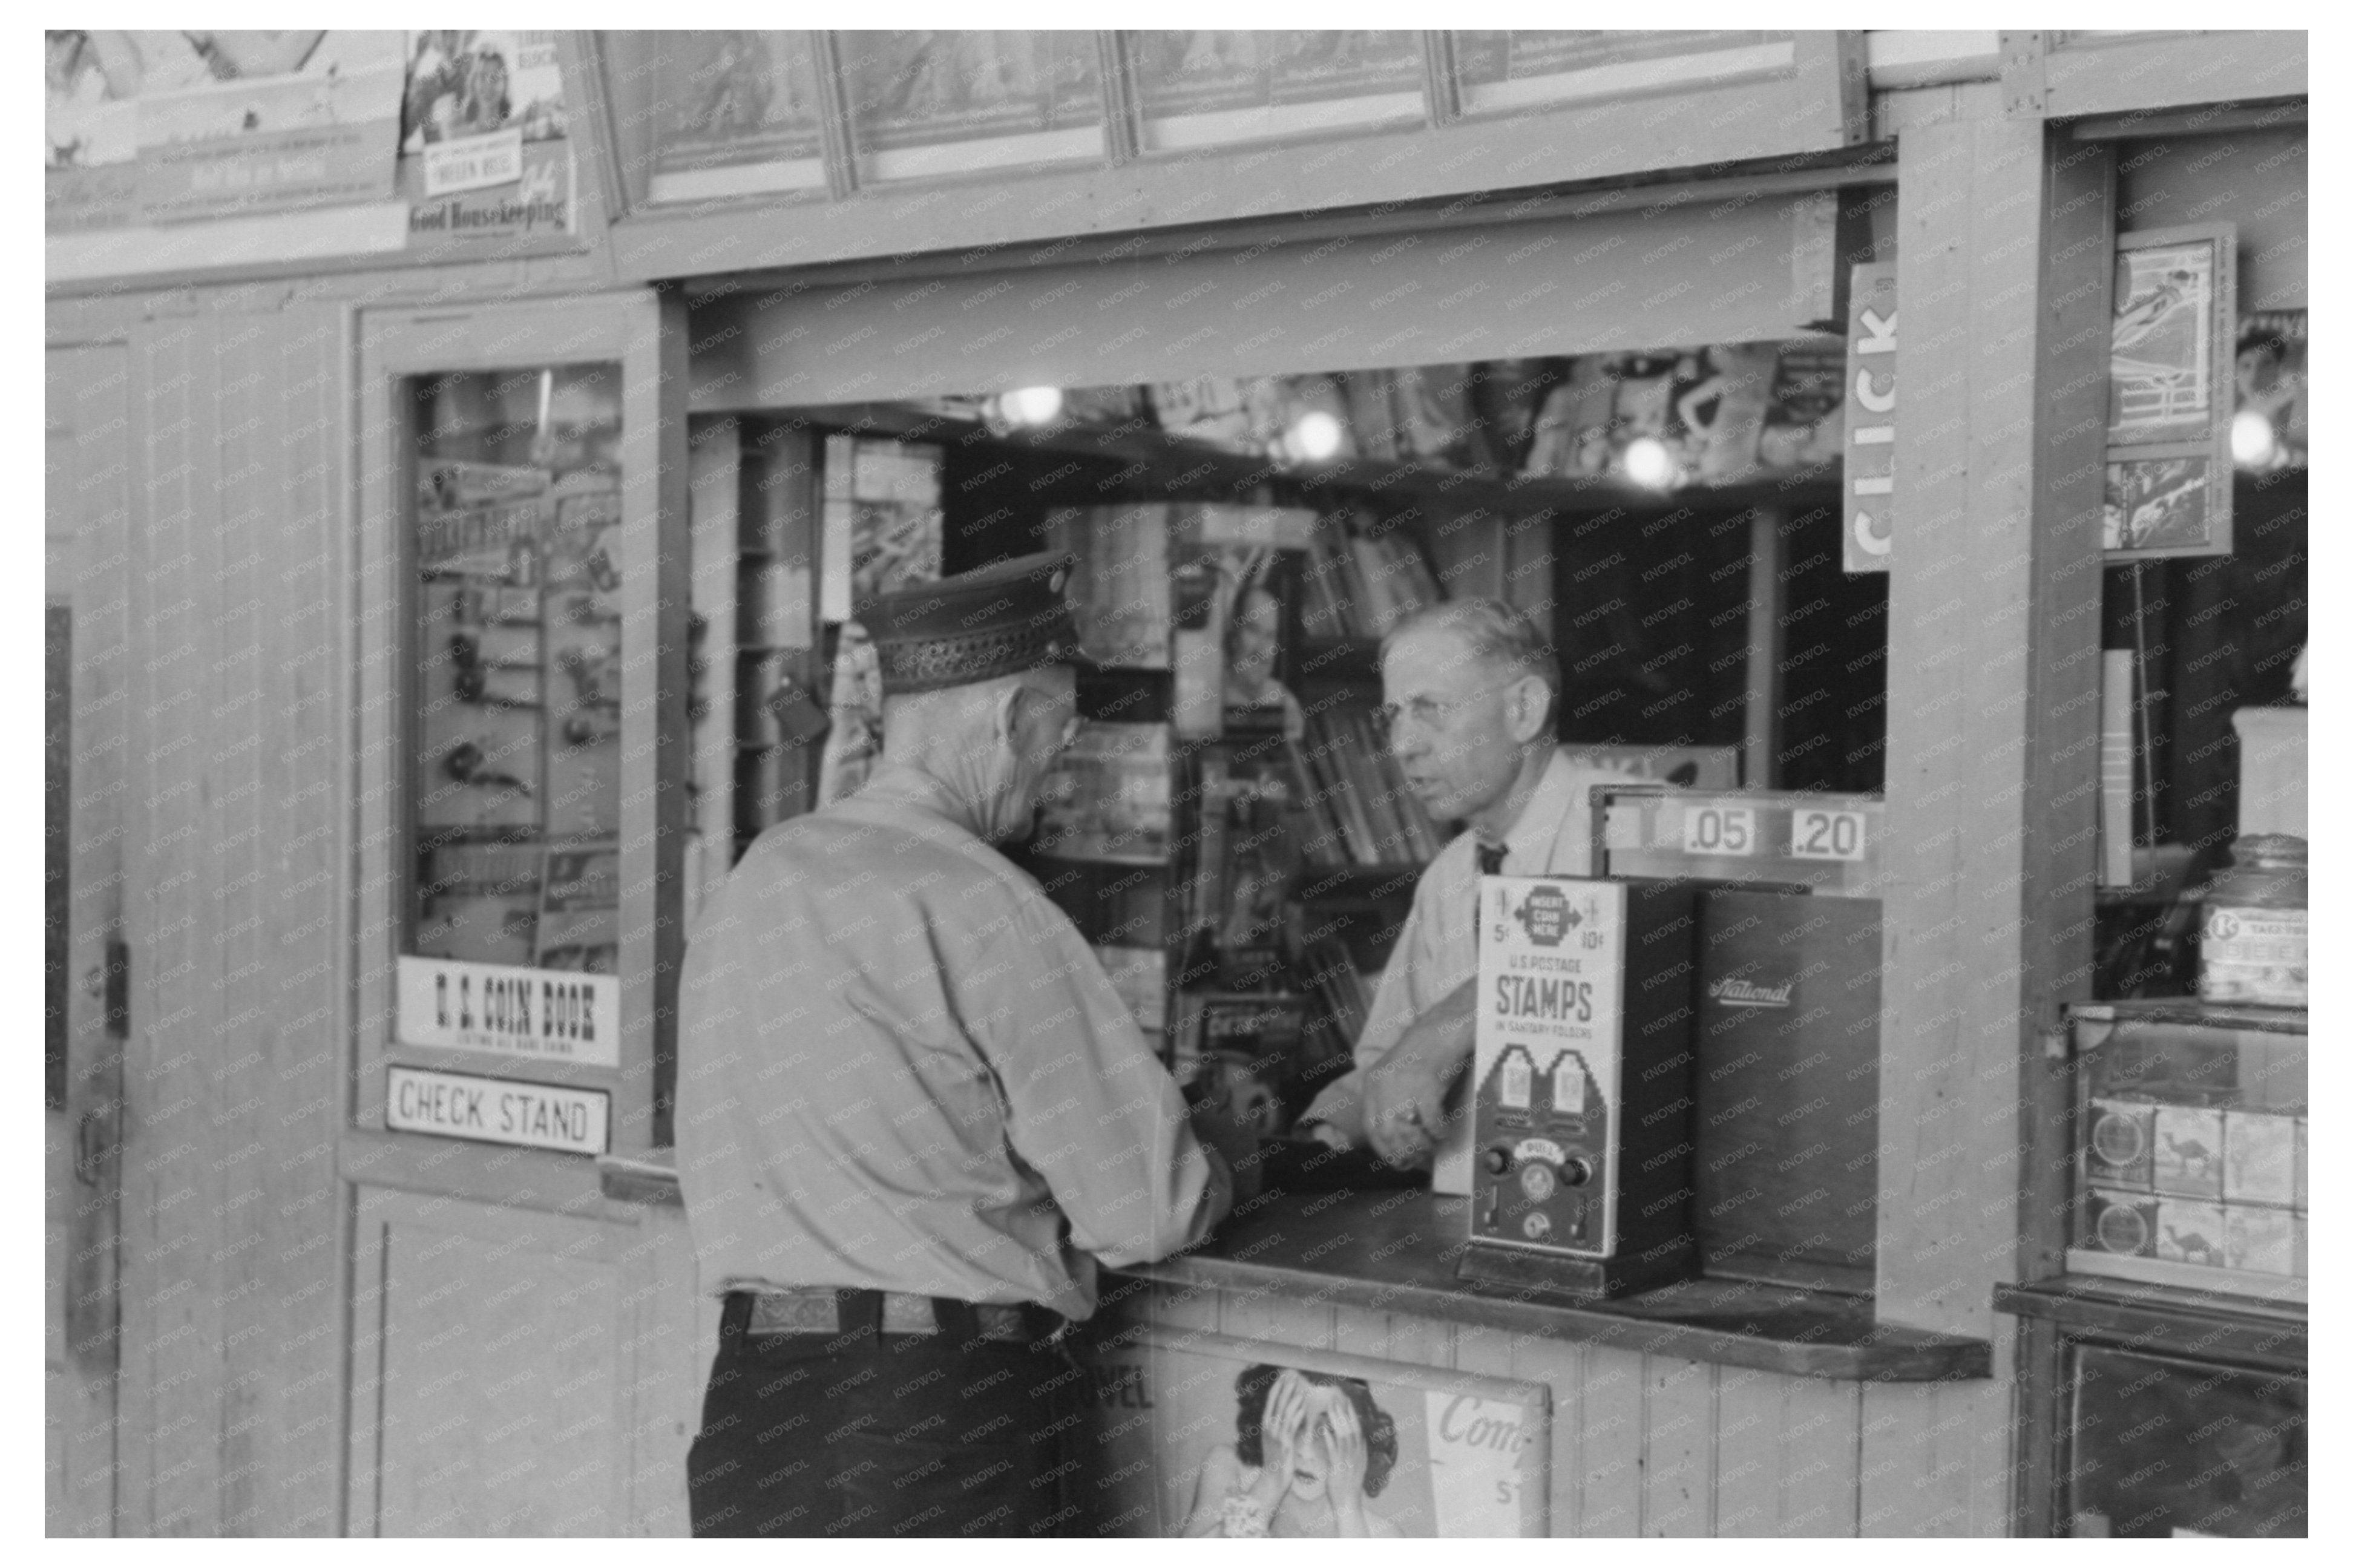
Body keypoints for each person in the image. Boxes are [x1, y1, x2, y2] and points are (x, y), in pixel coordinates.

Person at [676, 553, 1254, 1538]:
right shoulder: (984, 904)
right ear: (1008, 720)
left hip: (754, 1411)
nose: (1053, 775)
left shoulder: (752, 882)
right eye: (1058, 740)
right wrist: (1235, 1150)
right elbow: (1146, 1210)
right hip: (936, 1420)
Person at [1298, 598, 1643, 1169]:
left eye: (1429, 709)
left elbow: (1615, 970)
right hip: (1460, 1213)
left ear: (1524, 709)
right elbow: (1389, 1064)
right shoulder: (1449, 877)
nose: (1403, 745)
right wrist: (1322, 1134)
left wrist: (1448, 1027)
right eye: (1393, 716)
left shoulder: (1634, 830)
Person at [1180, 1365, 1401, 1537]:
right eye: (1295, 1423)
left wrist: (1348, 1509)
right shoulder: (1229, 1469)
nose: (1306, 1451)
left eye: (1330, 1431)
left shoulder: (1382, 1537)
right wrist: (1270, 1483)